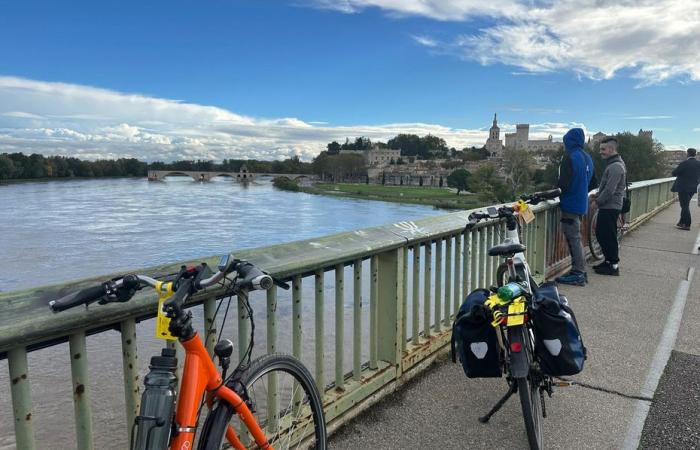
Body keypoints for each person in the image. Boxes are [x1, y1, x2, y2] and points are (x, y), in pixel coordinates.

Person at [555, 128, 597, 286]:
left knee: (573, 239)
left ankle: (578, 273)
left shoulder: (570, 157)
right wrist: (580, 191)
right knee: (576, 237)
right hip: (581, 203)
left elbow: (562, 184)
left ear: (568, 142)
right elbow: (594, 182)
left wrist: (552, 194)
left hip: (570, 204)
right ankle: (579, 271)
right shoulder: (588, 158)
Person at [591, 137, 626, 276]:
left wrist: (597, 202)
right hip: (610, 205)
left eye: (603, 149)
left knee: (608, 235)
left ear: (612, 149)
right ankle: (608, 261)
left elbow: (610, 190)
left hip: (610, 206)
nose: (601, 152)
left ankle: (613, 265)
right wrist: (597, 194)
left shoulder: (616, 166)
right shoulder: (614, 164)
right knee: (602, 233)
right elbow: (606, 187)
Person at [671, 148, 700, 230]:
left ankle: (687, 224)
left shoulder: (685, 163)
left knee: (684, 205)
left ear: (688, 154)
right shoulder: (699, 164)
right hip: (693, 187)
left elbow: (674, 173)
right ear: (695, 154)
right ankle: (681, 222)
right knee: (685, 205)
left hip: (683, 187)